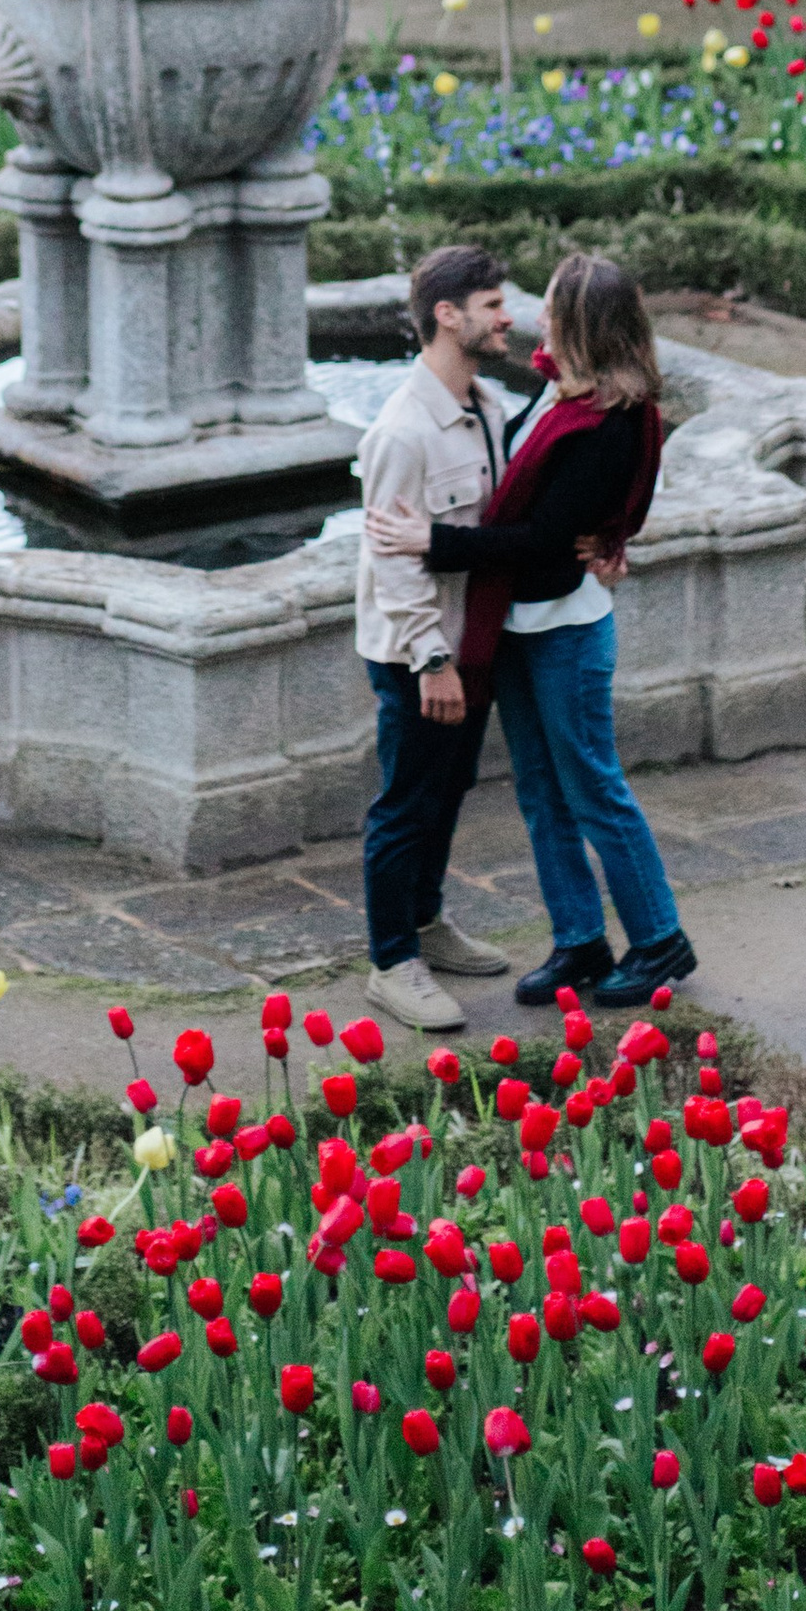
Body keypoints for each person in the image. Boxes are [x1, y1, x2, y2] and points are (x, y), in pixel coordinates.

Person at [365, 246, 694, 1011]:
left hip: (563, 630)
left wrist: (433, 540)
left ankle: (659, 941)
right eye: (506, 303)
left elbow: (545, 539)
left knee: (593, 790)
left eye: (547, 305)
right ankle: (579, 940)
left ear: (579, 321)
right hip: (515, 626)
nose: (529, 315)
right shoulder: (550, 390)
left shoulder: (607, 419)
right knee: (542, 794)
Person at [351, 243, 517, 1032]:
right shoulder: (402, 432)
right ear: (448, 316)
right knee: (406, 804)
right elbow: (392, 562)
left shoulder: (490, 408)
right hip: (419, 656)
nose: (506, 318)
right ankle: (392, 963)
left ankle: (425, 922)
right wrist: (432, 659)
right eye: (492, 305)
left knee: (448, 793)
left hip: (470, 645)